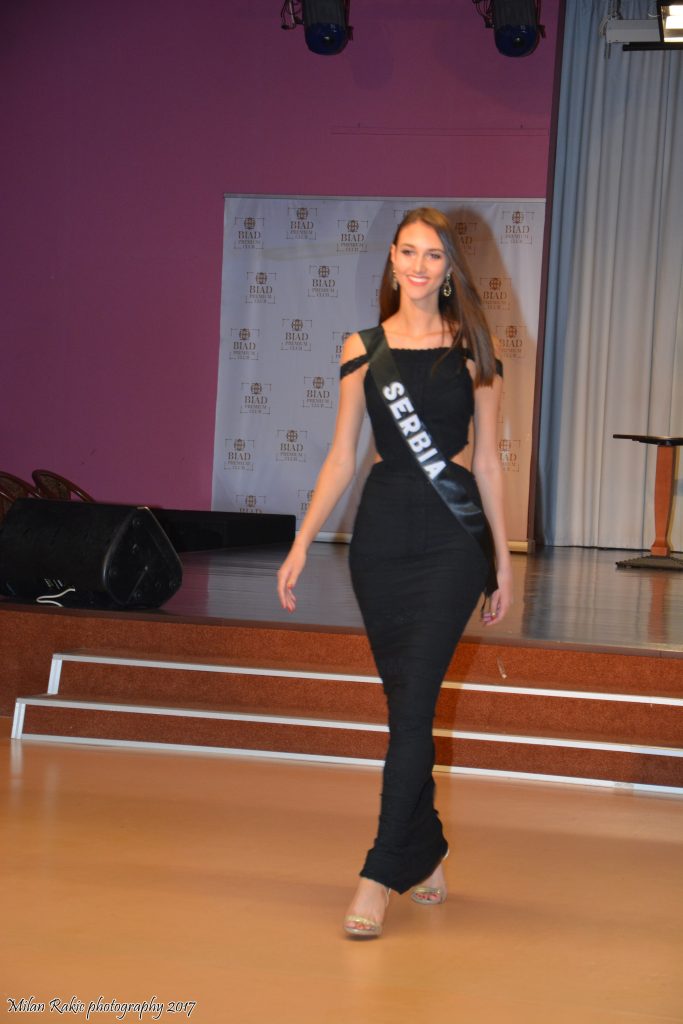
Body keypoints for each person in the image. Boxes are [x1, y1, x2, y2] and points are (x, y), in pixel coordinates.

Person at [276, 207, 512, 939]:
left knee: (414, 708)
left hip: (452, 540)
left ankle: (379, 873)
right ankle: (427, 850)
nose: (418, 266)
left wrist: (501, 561)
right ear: (391, 258)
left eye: (433, 256)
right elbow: (341, 456)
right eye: (408, 252)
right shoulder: (363, 347)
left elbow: (489, 463)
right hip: (380, 540)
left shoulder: (473, 348)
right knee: (406, 705)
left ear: (449, 271)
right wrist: (301, 541)